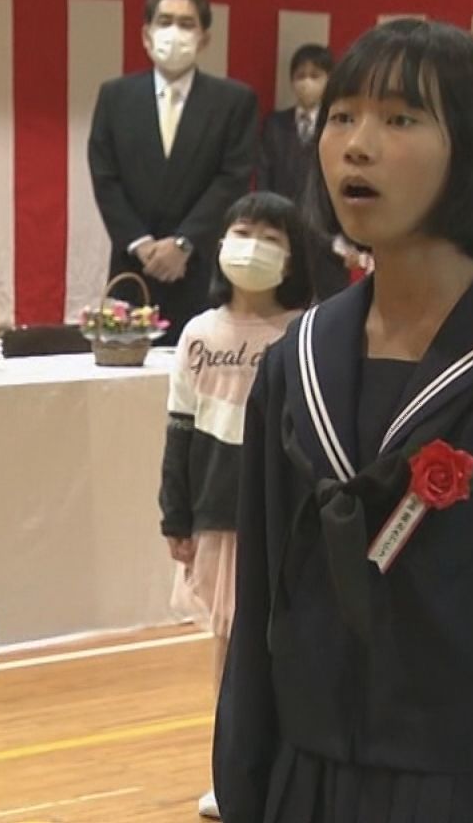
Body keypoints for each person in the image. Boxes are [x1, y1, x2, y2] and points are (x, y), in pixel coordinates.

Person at [213, 19, 473, 821]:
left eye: (400, 119)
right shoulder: (297, 360)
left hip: (469, 793)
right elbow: (260, 610)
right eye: (343, 116)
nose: (357, 145)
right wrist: (247, 789)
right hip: (303, 785)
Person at [160, 191, 315, 819]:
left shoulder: (307, 330)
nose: (254, 247)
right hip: (221, 516)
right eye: (243, 232)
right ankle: (231, 775)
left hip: (289, 518)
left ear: (293, 255)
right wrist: (176, 515)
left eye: (271, 237)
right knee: (230, 652)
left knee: (289, 645)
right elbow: (179, 430)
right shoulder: (198, 333)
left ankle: (290, 771)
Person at [89, 0, 259, 346]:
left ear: (204, 38)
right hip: (133, 268)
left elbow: (233, 178)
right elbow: (105, 176)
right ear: (146, 35)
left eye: (186, 23)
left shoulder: (234, 101)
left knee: (200, 371)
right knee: (125, 373)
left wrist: (183, 243)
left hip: (199, 270)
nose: (174, 32)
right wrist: (141, 244)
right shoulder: (115, 97)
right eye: (165, 21)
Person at [259, 44, 350, 299]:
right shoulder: (275, 124)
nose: (306, 83)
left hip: (327, 236)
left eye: (315, 75)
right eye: (300, 76)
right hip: (284, 231)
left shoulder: (340, 125)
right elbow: (265, 178)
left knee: (331, 306)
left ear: (329, 79)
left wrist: (344, 235)